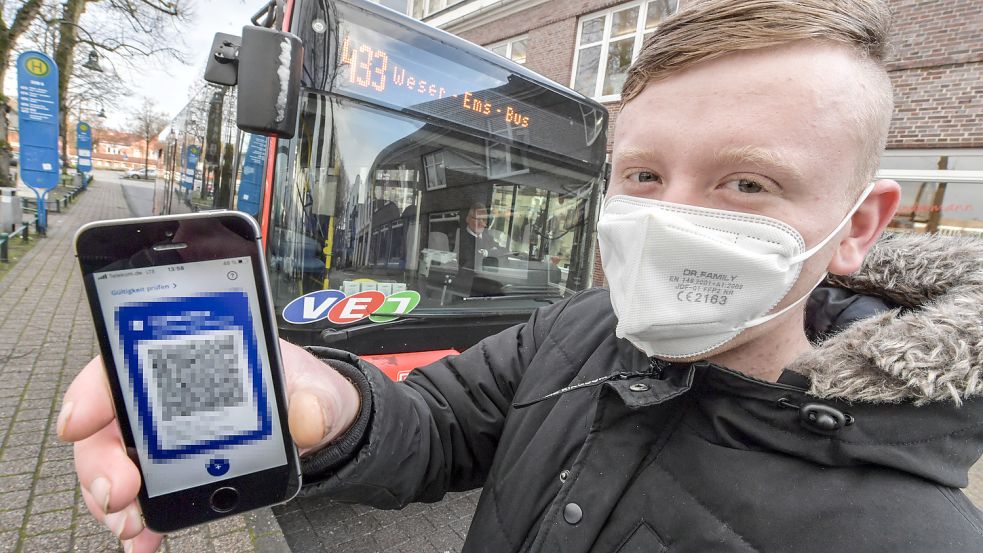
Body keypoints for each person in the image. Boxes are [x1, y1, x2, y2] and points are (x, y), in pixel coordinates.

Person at [61, 1, 983, 551]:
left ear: (857, 227)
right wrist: (326, 399)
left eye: (746, 182)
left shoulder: (918, 535)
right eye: (644, 176)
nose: (669, 220)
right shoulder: (578, 331)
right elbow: (433, 425)